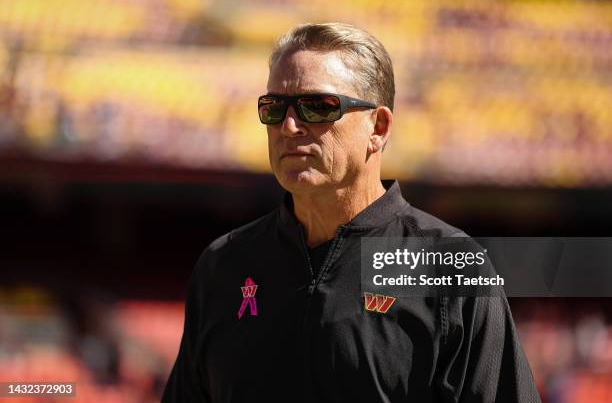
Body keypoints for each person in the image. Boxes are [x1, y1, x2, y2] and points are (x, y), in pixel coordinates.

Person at [162, 22, 540, 402]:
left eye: (317, 107)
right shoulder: (222, 265)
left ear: (378, 127)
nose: (290, 126)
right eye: (274, 108)